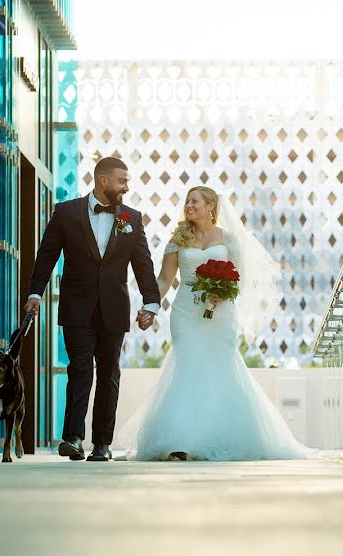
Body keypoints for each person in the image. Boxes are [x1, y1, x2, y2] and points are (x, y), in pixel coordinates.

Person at [113, 186, 312, 461]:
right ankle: (180, 441)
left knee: (220, 368)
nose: (189, 206)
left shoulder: (229, 240)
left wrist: (223, 291)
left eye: (195, 201)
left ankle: (219, 436)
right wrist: (151, 306)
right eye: (187, 201)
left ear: (210, 206)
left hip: (220, 313)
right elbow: (164, 280)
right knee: (188, 367)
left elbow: (238, 278)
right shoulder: (179, 239)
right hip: (185, 312)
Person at [23, 157, 160, 462]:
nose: (127, 186)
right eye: (122, 181)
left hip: (114, 308)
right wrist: (35, 292)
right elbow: (47, 255)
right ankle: (72, 438)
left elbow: (143, 263)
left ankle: (102, 444)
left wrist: (150, 303)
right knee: (80, 369)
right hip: (76, 306)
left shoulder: (132, 218)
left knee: (109, 374)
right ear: (103, 181)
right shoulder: (66, 212)